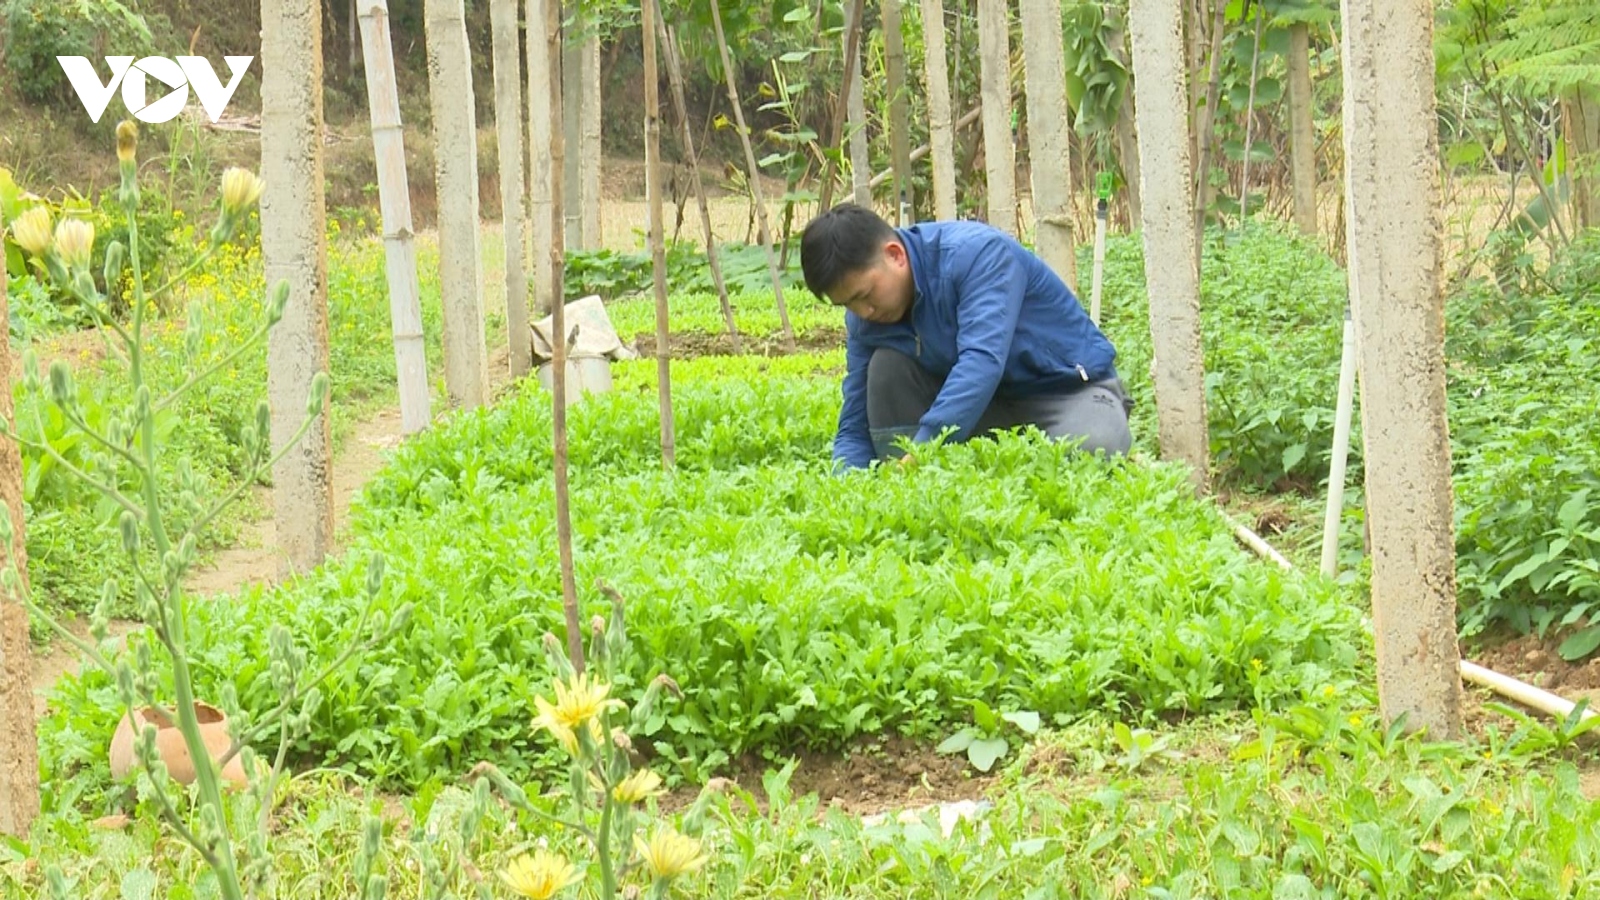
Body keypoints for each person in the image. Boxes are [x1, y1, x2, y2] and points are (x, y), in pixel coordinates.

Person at [799, 203, 1133, 470]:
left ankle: (927, 467)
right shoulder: (864, 317)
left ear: (895, 255)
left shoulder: (976, 255)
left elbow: (982, 363)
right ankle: (907, 482)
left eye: (866, 294)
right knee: (886, 367)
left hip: (1062, 393)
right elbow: (854, 419)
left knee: (1093, 446)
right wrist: (847, 484)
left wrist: (924, 450)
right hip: (980, 409)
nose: (863, 312)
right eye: (848, 304)